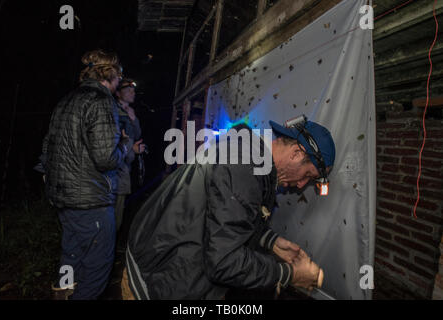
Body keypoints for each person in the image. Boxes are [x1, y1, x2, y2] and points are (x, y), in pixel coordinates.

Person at [122, 117, 336, 300]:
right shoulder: (245, 168)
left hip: (156, 265)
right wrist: (289, 274)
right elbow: (224, 262)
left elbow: (222, 215)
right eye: (308, 175)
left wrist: (270, 241)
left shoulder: (243, 152)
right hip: (159, 283)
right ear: (297, 153)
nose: (301, 185)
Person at [41, 49, 131, 300]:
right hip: (91, 202)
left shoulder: (67, 100)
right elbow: (106, 159)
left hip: (64, 199)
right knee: (96, 267)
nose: (121, 82)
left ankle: (64, 293)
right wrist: (124, 144)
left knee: (71, 254)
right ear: (111, 75)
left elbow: (48, 145)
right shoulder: (101, 101)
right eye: (120, 76)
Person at [114, 78, 145, 232]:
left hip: (126, 166)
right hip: (115, 169)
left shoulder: (130, 113)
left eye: (133, 91)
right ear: (118, 93)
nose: (133, 93)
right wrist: (130, 148)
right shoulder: (113, 112)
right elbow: (111, 141)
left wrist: (133, 119)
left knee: (119, 212)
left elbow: (137, 135)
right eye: (129, 91)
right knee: (113, 215)